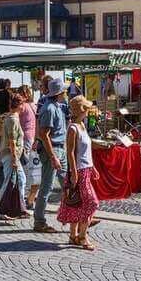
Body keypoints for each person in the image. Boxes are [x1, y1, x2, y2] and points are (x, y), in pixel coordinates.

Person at [57, 95, 100, 251]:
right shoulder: (73, 128)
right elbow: (70, 153)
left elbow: (85, 151)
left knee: (79, 203)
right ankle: (82, 236)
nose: (88, 111)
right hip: (79, 171)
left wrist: (93, 167)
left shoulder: (82, 125)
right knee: (91, 202)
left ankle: (72, 235)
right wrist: (74, 172)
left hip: (86, 169)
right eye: (86, 108)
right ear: (81, 110)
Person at [33, 78, 68, 234]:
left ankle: (77, 215)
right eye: (64, 91)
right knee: (46, 187)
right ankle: (39, 221)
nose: (66, 93)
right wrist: (53, 156)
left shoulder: (57, 106)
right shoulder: (49, 109)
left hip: (59, 149)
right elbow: (44, 134)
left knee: (69, 184)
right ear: (59, 93)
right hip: (52, 151)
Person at [0, 94, 27, 218]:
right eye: (23, 104)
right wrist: (15, 159)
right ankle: (3, 209)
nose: (24, 107)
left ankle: (19, 207)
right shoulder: (13, 120)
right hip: (10, 155)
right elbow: (12, 141)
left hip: (11, 155)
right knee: (9, 181)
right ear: (19, 105)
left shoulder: (12, 118)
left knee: (21, 180)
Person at [16, 84, 41, 207]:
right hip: (33, 138)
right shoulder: (34, 105)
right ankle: (32, 195)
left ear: (24, 95)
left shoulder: (23, 106)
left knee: (25, 169)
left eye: (19, 94)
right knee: (33, 168)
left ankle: (26, 196)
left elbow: (16, 120)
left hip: (25, 139)